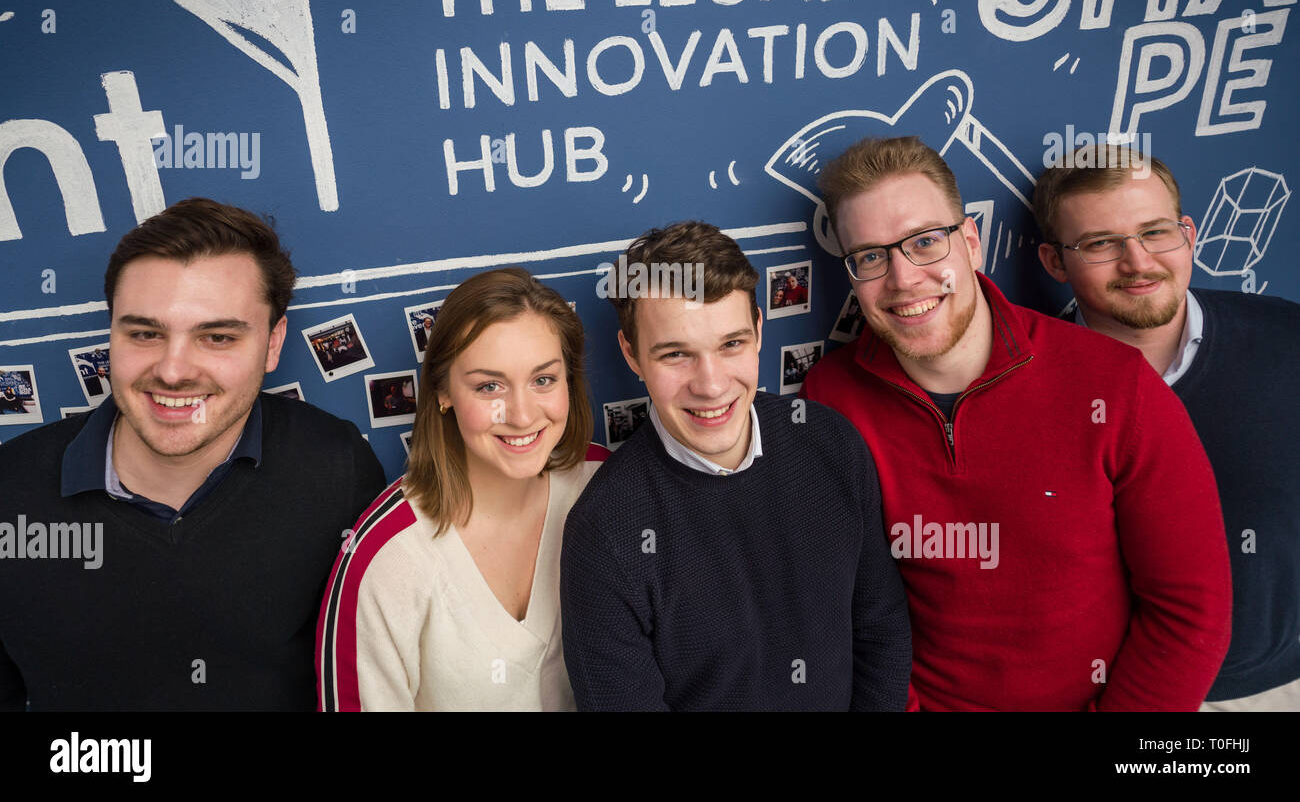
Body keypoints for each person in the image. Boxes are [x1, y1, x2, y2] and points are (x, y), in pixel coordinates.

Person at [800, 135, 1232, 711]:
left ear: (971, 243)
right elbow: (841, 606)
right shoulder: (829, 399)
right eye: (871, 257)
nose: (903, 279)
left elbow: (1190, 612)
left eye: (926, 242)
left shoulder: (1116, 385)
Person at [0, 197, 386, 710]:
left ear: (273, 344)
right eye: (144, 333)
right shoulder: (10, 492)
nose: (174, 370)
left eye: (217, 337)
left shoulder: (337, 465)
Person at [561, 221, 911, 711]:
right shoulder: (605, 532)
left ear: (760, 331)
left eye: (731, 344)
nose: (711, 385)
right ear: (632, 355)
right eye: (676, 354)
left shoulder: (832, 443)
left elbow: (882, 629)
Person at [1033, 145, 1300, 711]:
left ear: (1189, 233)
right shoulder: (1022, 387)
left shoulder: (1288, 339)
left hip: (1280, 686)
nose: (1138, 262)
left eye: (1155, 232)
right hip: (1112, 698)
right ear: (1055, 262)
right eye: (1101, 243)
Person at [316, 268, 606, 711]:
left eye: (543, 379)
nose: (522, 415)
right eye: (489, 386)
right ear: (443, 392)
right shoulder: (386, 556)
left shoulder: (607, 487)